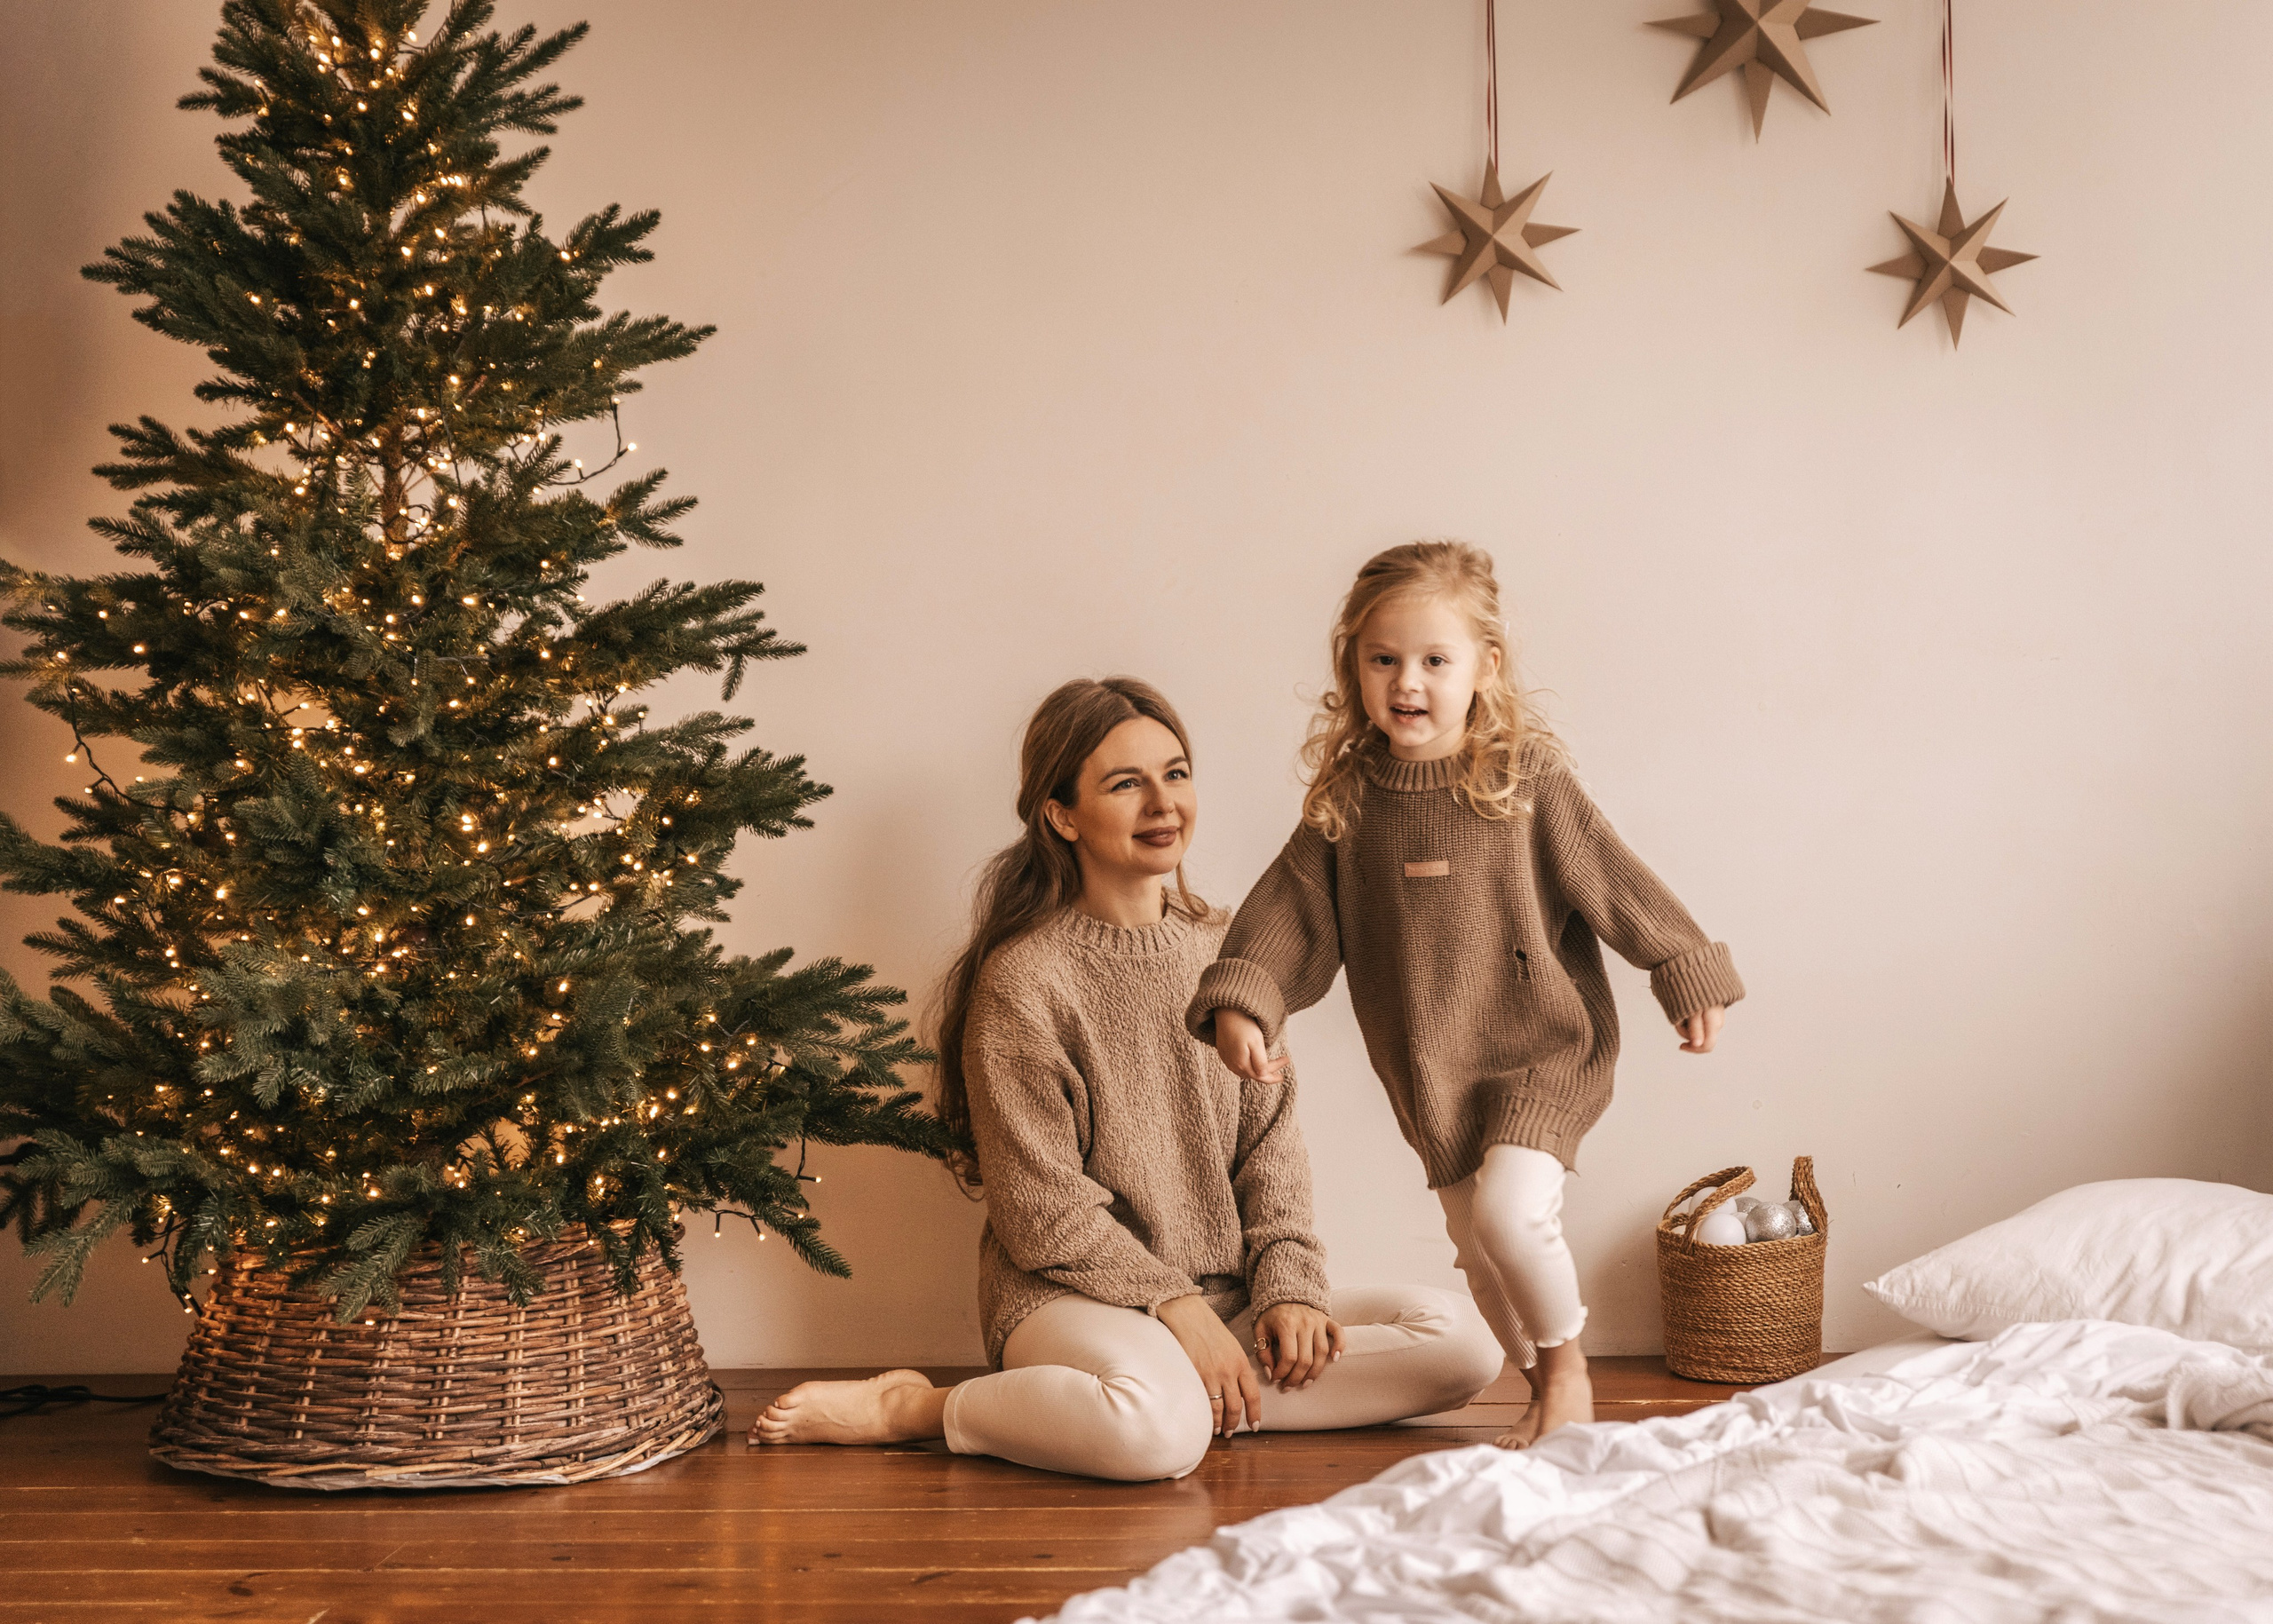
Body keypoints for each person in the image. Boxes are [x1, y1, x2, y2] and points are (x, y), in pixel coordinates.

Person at [752, 677, 1503, 1480]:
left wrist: (1290, 1289)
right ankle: (922, 1409)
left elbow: (1273, 1149)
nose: (1163, 803)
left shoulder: (1232, 950)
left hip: (1229, 1297)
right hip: (1071, 1297)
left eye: (1176, 773)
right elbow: (1042, 1214)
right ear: (1061, 813)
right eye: (1125, 783)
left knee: (1464, 1343)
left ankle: (1196, 1395)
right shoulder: (1026, 982)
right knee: (1154, 1435)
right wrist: (1174, 1305)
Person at [1188, 542, 1744, 1449]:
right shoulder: (1348, 802)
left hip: (1543, 1045)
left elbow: (1613, 877)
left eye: (1434, 660)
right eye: (1384, 659)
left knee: (1508, 1211)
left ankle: (1567, 1378)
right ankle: (1539, 1389)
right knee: (1477, 1247)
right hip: (1430, 1067)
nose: (1407, 681)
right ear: (1353, 667)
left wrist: (1681, 970)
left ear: (1484, 668)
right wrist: (1245, 1000)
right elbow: (1286, 910)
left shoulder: (1526, 781)